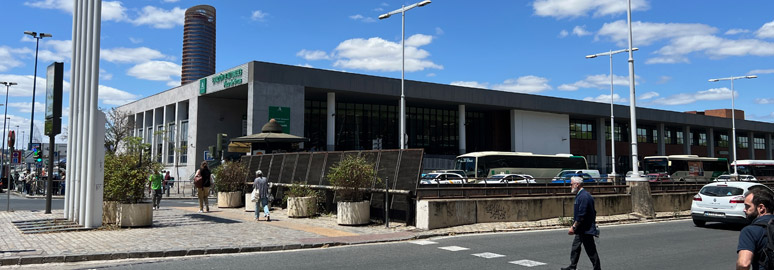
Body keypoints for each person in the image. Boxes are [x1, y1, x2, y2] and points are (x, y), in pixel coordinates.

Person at [562, 176, 601, 270]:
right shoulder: (581, 195)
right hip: (582, 228)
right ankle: (572, 266)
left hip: (585, 229)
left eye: (571, 184)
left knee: (590, 250)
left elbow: (581, 214)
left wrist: (574, 227)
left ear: (577, 184)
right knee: (575, 247)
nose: (570, 186)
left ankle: (597, 268)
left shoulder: (584, 196)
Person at [737, 186, 774, 270]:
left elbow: (744, 264)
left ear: (761, 208)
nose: (744, 210)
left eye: (747, 206)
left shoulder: (750, 231)